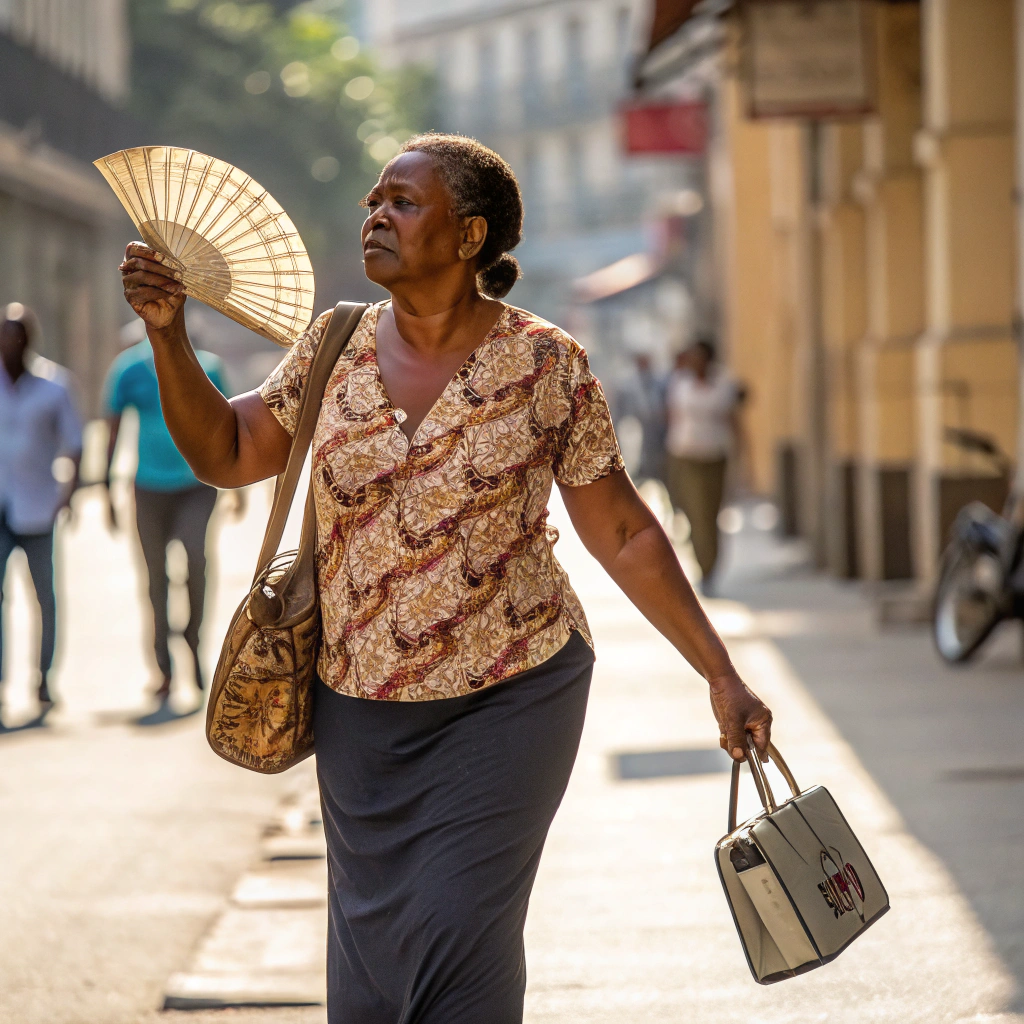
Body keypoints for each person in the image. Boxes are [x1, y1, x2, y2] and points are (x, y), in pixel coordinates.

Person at [118, 133, 773, 1024]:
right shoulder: (332, 345)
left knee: (461, 929)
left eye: (404, 202)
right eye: (374, 202)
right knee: (375, 954)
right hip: (359, 704)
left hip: (512, 694)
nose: (378, 216)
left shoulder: (547, 364)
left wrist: (719, 672)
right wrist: (170, 338)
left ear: (470, 237)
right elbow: (226, 453)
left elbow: (622, 532)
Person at [102, 318, 229, 703]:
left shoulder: (207, 367)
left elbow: (227, 421)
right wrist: (106, 486)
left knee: (195, 559)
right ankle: (164, 668)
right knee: (155, 579)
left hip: (196, 484)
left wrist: (234, 483)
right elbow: (112, 428)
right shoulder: (129, 369)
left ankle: (194, 642)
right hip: (149, 486)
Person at [0, 303, 82, 718]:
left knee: (43, 599)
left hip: (37, 506)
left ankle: (43, 677)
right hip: (0, 505)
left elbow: (74, 443)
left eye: (16, 335)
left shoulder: (53, 385)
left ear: (29, 340)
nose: (9, 343)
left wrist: (68, 495)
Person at [665, 338, 745, 594]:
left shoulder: (723, 384)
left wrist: (743, 461)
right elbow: (671, 416)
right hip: (684, 457)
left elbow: (734, 422)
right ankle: (701, 560)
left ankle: (708, 569)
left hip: (713, 458)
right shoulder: (680, 382)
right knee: (690, 512)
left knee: (709, 516)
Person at [613, 351, 668, 484]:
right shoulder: (626, 385)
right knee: (634, 461)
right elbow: (619, 409)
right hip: (633, 429)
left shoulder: (658, 382)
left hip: (655, 431)